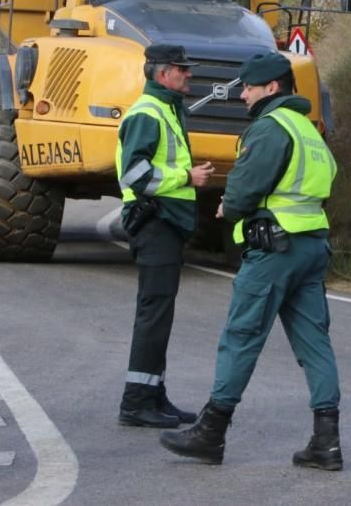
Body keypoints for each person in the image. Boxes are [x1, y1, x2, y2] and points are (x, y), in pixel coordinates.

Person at [159, 51, 343, 470]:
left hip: (274, 250)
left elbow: (242, 192)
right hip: (312, 246)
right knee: (315, 344)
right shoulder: (310, 131)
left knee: (242, 335)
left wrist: (229, 207)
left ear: (272, 87)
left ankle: (211, 432)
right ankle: (326, 442)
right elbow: (324, 185)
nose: (243, 94)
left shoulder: (270, 128)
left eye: (249, 86)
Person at [116, 43, 215, 428]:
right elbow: (134, 176)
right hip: (154, 222)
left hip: (165, 222)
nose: (188, 74)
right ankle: (136, 402)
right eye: (181, 69)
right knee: (154, 313)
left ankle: (153, 394)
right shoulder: (148, 113)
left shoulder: (167, 109)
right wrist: (185, 177)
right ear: (162, 74)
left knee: (160, 313)